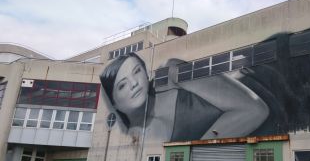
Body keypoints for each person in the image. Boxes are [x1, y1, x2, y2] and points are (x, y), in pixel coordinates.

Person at [100, 53, 269, 142]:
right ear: (114, 103)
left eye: (137, 71)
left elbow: (255, 109)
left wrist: (196, 150)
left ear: (146, 73)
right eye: (122, 85)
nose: (134, 84)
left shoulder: (171, 72)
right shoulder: (137, 137)